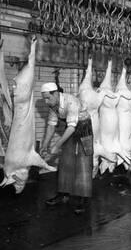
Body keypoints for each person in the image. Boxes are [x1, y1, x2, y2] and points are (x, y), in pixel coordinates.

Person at [39, 82, 93, 215]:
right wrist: (45, 145)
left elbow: (71, 127)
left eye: (48, 98)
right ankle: (63, 194)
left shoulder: (71, 102)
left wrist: (57, 145)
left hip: (84, 127)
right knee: (65, 160)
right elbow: (51, 126)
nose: (46, 101)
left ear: (56, 94)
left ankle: (83, 198)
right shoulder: (53, 105)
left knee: (84, 162)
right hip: (71, 127)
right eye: (44, 98)